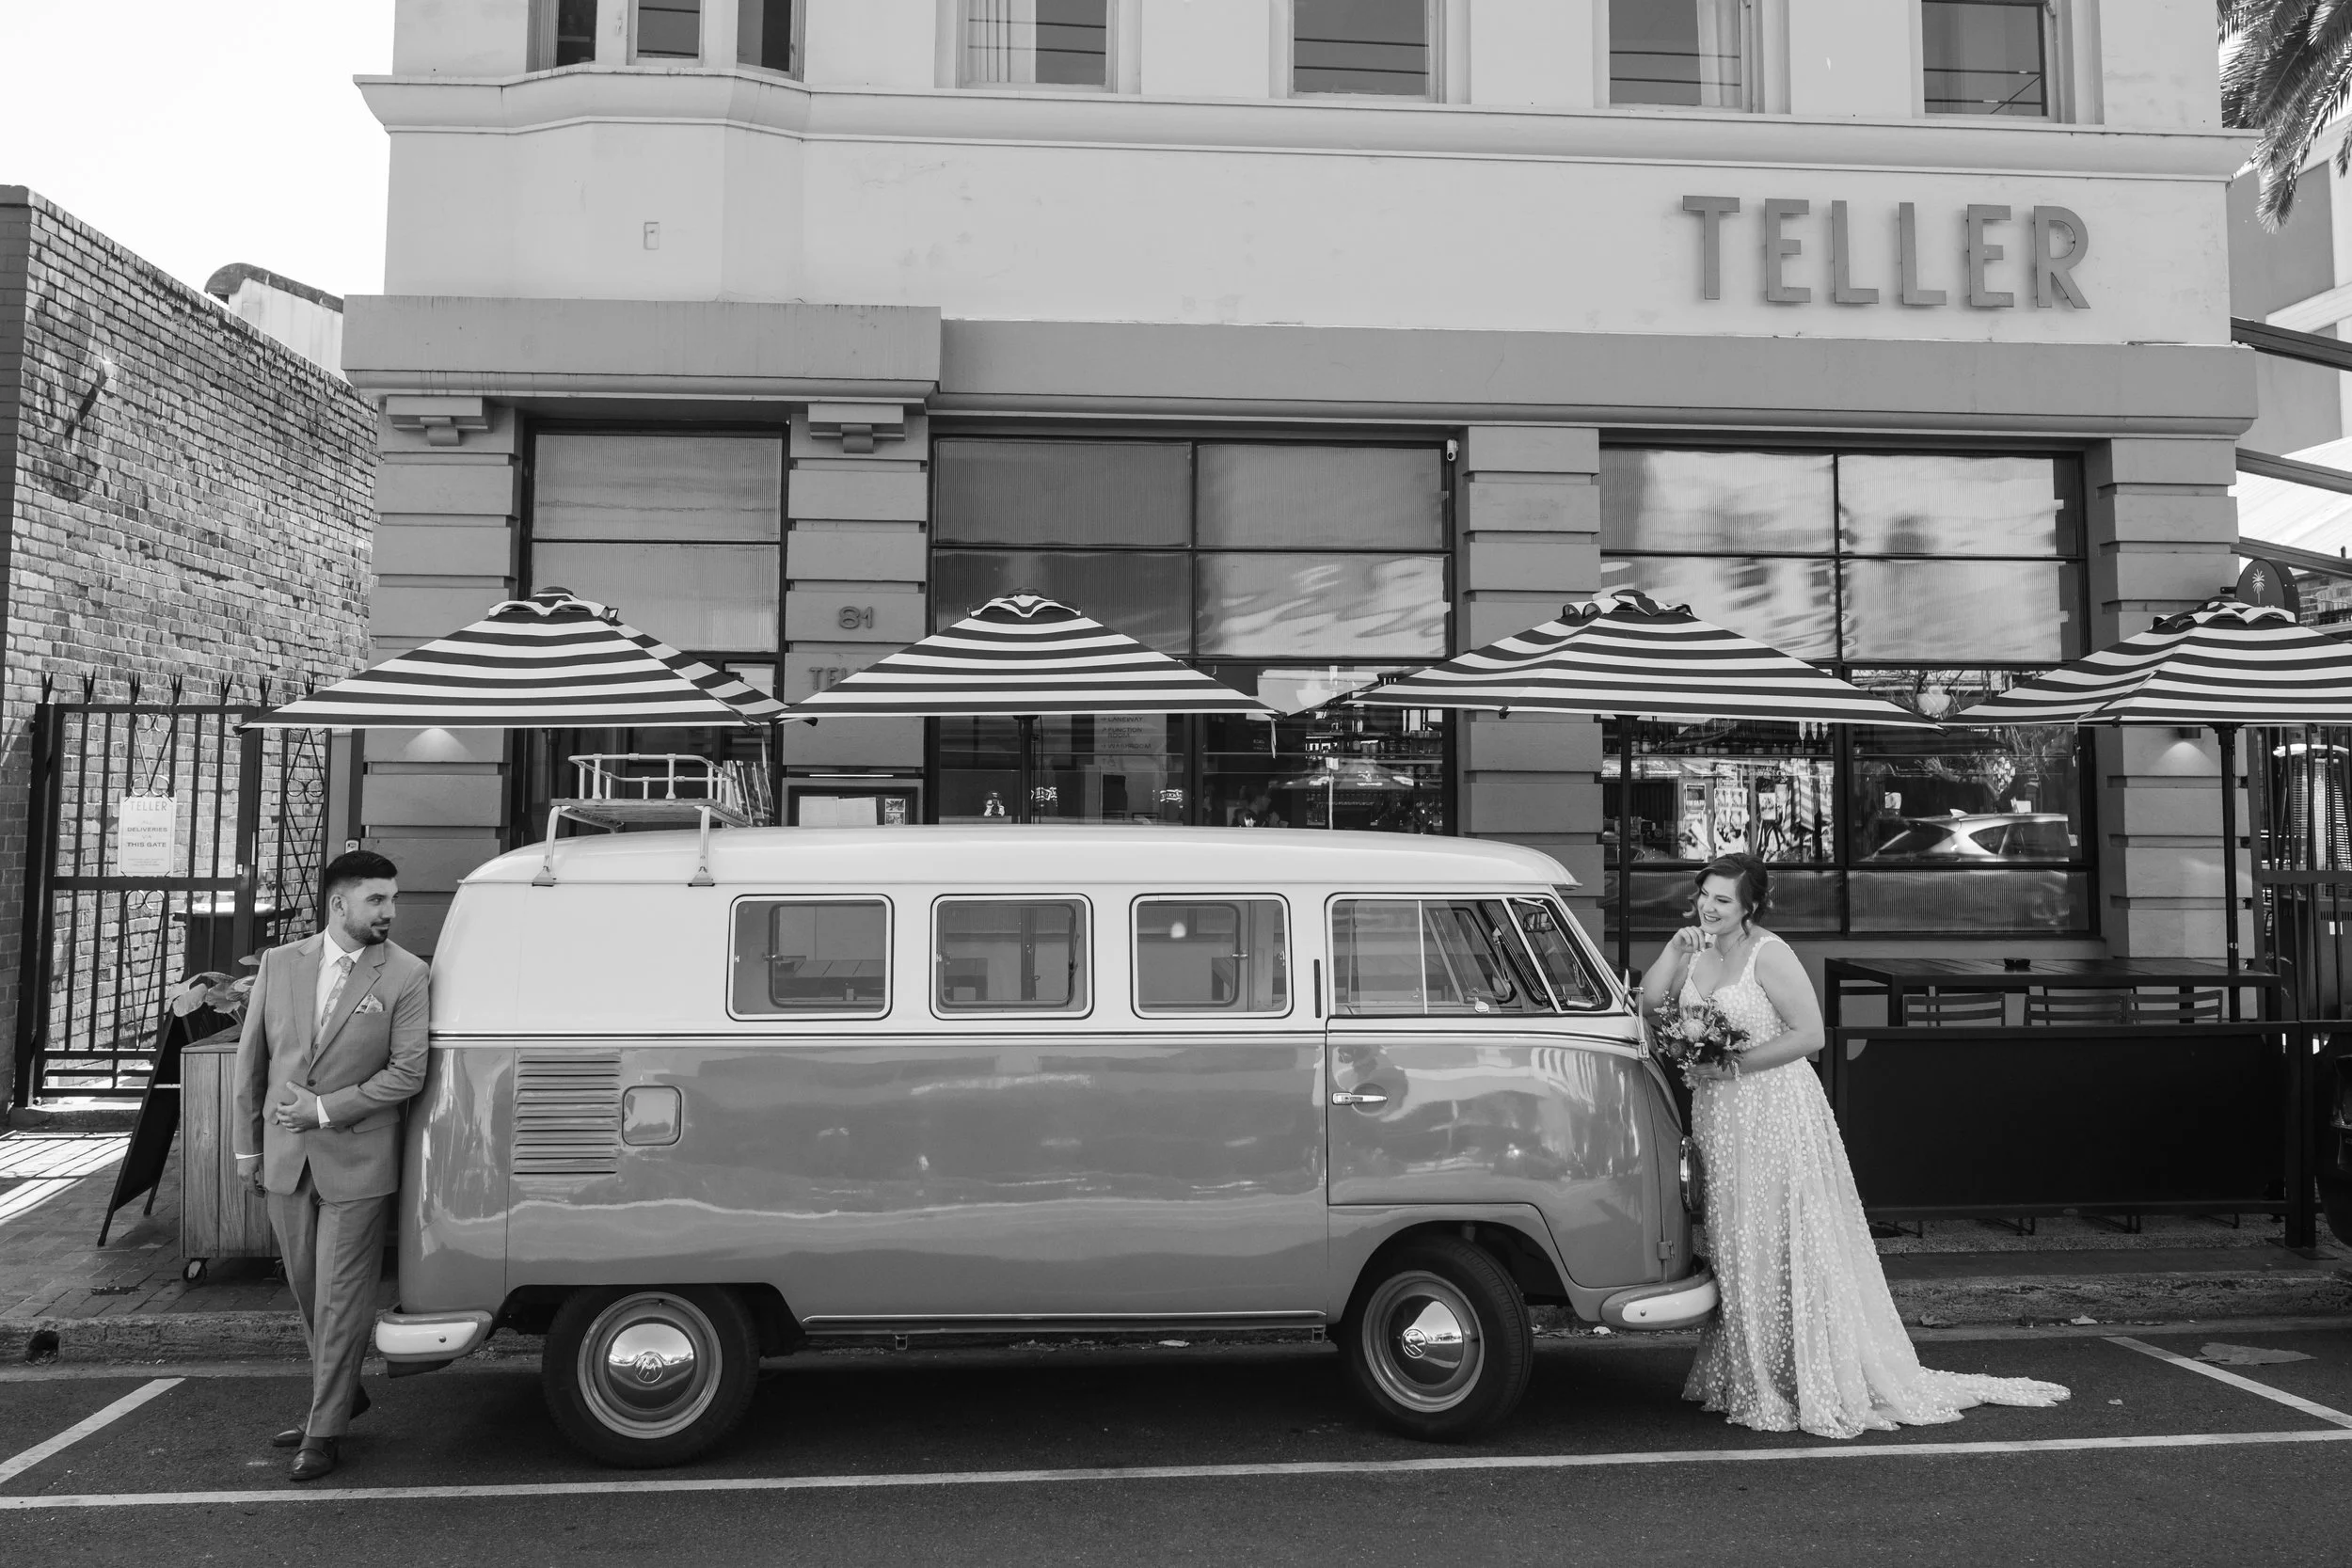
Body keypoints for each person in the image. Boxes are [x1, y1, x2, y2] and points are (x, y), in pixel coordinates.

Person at [1642, 852, 2069, 1439]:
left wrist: (1732, 1064)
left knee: (1784, 1237)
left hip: (1774, 1111)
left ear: (1751, 906)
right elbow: (1650, 1004)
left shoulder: (1771, 952)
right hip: (1721, 1117)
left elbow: (1809, 1035)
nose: (1708, 908)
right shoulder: (1696, 949)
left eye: (1722, 900)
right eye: (1704, 896)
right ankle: (1754, 1373)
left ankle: (1804, 1375)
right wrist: (1674, 951)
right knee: (1739, 1239)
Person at [233, 850, 431, 1481]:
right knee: (307, 1290)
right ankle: (345, 1391)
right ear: (340, 903)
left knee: (342, 1296)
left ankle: (324, 1430)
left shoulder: (406, 974)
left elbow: (408, 1072)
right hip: (285, 1159)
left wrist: (325, 1109)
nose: (389, 911)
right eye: (376, 899)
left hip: (358, 1157)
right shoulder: (280, 963)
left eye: (392, 899)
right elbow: (253, 1062)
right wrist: (246, 1148)